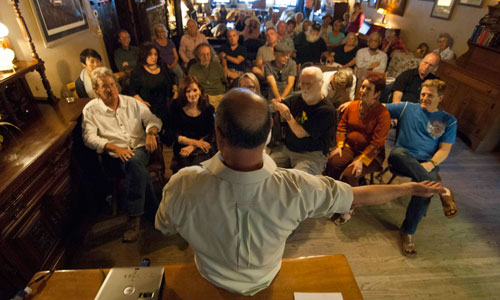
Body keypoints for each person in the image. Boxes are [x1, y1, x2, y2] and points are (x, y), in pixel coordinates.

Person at [155, 87, 446, 295]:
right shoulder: (296, 186)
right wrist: (407, 187)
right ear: (270, 131)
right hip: (266, 279)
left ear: (218, 134)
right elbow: (356, 196)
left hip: (210, 277)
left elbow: (164, 225)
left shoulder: (183, 183)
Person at [83, 67, 162, 243]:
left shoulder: (131, 102)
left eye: (112, 84)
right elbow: (89, 138)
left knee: (135, 161)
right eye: (105, 86)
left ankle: (135, 216)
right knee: (135, 166)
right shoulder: (91, 109)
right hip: (114, 156)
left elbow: (152, 119)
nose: (111, 89)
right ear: (97, 89)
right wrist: (114, 148)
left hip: (140, 149)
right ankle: (152, 211)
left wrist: (151, 132)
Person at [386, 79, 458, 256]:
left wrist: (432, 163)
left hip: (427, 162)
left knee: (424, 188)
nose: (424, 98)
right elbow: (379, 107)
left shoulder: (448, 121)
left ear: (440, 98)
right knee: (398, 154)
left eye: (430, 95)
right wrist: (353, 102)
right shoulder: (406, 107)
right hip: (402, 157)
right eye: (423, 94)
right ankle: (441, 190)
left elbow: (444, 150)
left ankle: (408, 231)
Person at [326, 75, 391, 224]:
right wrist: (340, 145)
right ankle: (333, 197)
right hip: (350, 146)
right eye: (362, 87)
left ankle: (348, 207)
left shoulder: (383, 114)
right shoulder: (352, 106)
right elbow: (342, 126)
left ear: (377, 93)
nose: (363, 91)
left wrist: (361, 160)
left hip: (371, 154)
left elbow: (377, 143)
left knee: (351, 173)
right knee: (333, 162)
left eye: (368, 89)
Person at [270, 67, 335, 175]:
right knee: (265, 169)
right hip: (288, 149)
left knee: (297, 181)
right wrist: (278, 105)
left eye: (309, 84)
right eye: (302, 83)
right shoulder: (297, 98)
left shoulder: (326, 110)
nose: (304, 87)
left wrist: (288, 116)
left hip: (311, 154)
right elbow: (276, 105)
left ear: (321, 83)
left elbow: (300, 132)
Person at [170, 76, 215, 174]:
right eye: (188, 91)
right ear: (184, 93)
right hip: (182, 147)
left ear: (200, 91)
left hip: (202, 147)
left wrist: (193, 146)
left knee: (199, 168)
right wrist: (195, 143)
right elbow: (173, 134)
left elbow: (210, 134)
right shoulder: (176, 107)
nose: (192, 94)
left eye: (195, 90)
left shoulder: (208, 109)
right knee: (187, 169)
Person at [129, 43, 176, 133]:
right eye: (150, 54)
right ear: (144, 55)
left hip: (166, 101)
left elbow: (171, 78)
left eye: (155, 54)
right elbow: (132, 90)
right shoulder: (138, 71)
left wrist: (176, 90)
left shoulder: (162, 66)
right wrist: (142, 102)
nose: (154, 57)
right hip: (149, 105)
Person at [188, 43, 226, 108]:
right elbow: (190, 85)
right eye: (203, 55)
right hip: (204, 97)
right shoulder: (193, 69)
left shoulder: (217, 66)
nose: (206, 57)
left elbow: (224, 80)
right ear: (198, 56)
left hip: (219, 95)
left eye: (208, 54)